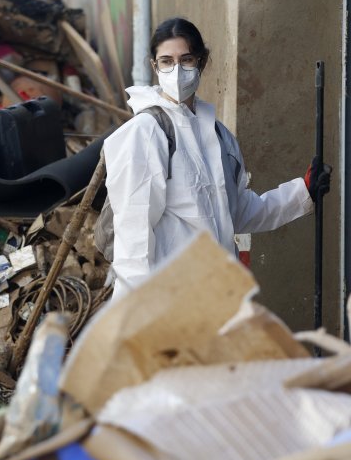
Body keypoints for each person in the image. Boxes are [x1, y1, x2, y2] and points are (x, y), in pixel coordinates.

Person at [103, 17, 330, 301]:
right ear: (154, 66)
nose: (176, 71)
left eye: (186, 60)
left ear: (202, 61)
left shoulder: (219, 136)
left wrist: (302, 192)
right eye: (166, 61)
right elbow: (132, 236)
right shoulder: (146, 132)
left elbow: (238, 212)